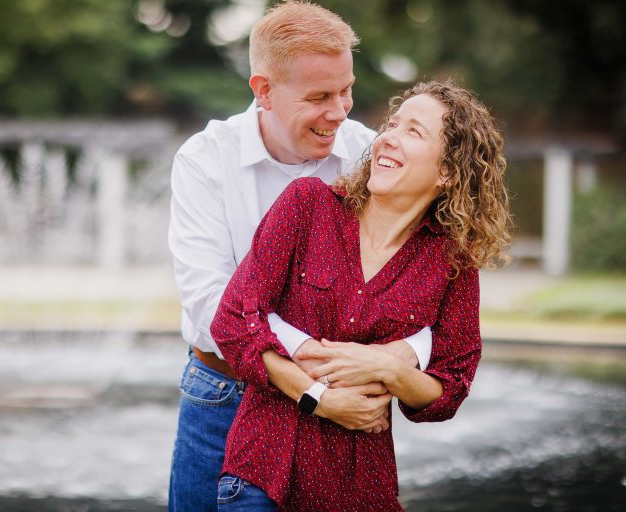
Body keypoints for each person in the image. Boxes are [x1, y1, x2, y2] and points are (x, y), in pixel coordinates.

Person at [167, 2, 433, 510]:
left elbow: (414, 290)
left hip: (343, 400)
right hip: (226, 394)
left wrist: (386, 363)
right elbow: (211, 311)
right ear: (263, 91)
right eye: (319, 97)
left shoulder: (369, 155)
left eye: (346, 90)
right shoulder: (205, 161)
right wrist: (321, 387)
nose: (340, 111)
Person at [210, 80, 512, 511]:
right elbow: (233, 321)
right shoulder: (307, 205)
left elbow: (451, 386)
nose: (387, 136)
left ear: (448, 171)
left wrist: (385, 367)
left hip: (359, 489)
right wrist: (320, 399)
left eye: (414, 131)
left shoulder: (451, 259)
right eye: (392, 124)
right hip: (264, 474)